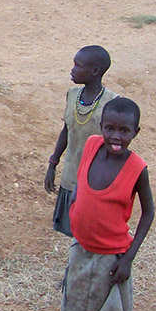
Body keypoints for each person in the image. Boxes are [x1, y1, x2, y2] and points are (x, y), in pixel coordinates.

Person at [56, 97, 155, 311]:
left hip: (111, 259)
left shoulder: (136, 169)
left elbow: (148, 213)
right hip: (81, 251)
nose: (116, 135)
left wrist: (127, 260)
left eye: (124, 130)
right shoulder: (91, 147)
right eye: (110, 127)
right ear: (101, 126)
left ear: (136, 132)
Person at [44, 45, 118, 237]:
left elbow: (115, 146)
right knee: (71, 232)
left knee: (89, 233)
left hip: (95, 181)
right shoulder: (72, 96)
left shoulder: (111, 104)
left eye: (78, 66)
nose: (73, 70)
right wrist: (53, 163)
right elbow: (67, 130)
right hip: (70, 174)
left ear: (95, 71)